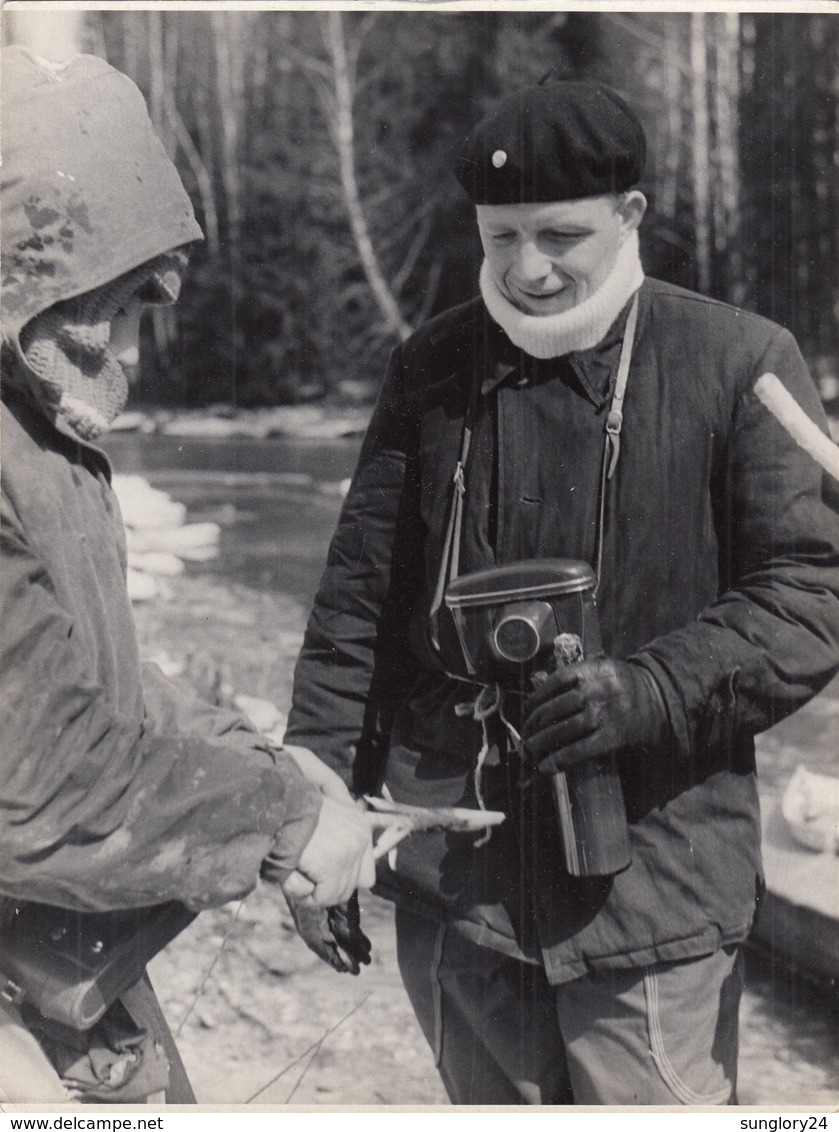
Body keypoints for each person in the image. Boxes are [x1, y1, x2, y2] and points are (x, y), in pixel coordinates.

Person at [285, 78, 839, 1105]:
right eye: (499, 239)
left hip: (650, 890)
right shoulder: (431, 368)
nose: (527, 270)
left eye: (559, 236)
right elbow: (357, 604)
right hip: (456, 887)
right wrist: (313, 812)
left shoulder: (740, 361)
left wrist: (649, 690)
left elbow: (810, 591)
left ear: (629, 216)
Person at [0, 46, 375, 1105]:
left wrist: (272, 771)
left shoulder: (39, 435)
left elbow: (87, 680)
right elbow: (38, 786)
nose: (127, 350)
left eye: (136, 310)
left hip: (46, 946)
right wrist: (281, 824)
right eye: (102, 309)